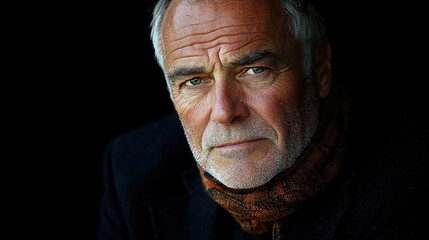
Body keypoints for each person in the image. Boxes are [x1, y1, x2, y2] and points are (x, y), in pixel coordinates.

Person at [98, 0, 427, 239]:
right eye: (194, 81)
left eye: (255, 70)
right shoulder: (132, 173)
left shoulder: (408, 179)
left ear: (321, 69)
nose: (226, 111)